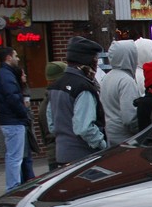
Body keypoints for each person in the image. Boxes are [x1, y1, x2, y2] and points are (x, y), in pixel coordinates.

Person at [46, 36, 108, 165]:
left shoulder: (55, 85)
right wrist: (103, 145)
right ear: (88, 61)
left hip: (62, 154)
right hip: (83, 156)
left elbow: (52, 125)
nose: (96, 63)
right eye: (95, 59)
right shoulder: (82, 87)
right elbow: (84, 128)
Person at [0, 47, 31, 191]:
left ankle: (14, 185)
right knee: (15, 157)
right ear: (8, 57)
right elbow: (13, 98)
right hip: (13, 121)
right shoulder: (6, 76)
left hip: (9, 120)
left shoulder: (3, 74)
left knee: (13, 156)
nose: (18, 58)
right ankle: (13, 187)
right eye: (15, 55)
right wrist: (23, 113)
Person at [99, 40, 141, 145]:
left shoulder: (107, 77)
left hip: (110, 134)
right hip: (126, 138)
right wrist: (141, 131)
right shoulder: (126, 81)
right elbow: (129, 117)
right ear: (130, 56)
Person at [37, 61, 67, 170]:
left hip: (55, 153)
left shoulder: (47, 99)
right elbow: (51, 131)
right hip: (57, 154)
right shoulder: (52, 101)